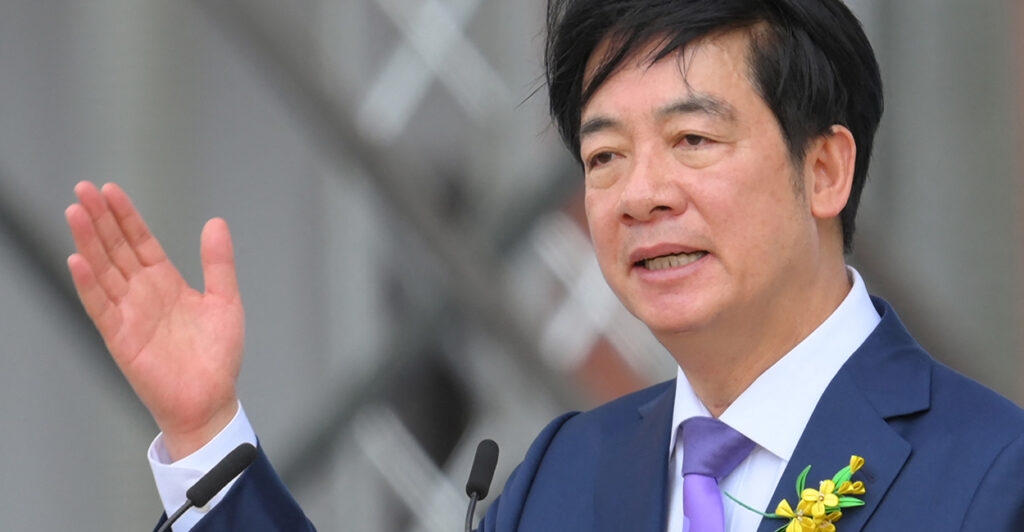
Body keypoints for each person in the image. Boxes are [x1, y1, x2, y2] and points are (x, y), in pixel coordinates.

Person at [65, 0, 1024, 530]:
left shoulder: (992, 473)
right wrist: (205, 436)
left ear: (825, 168)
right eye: (604, 156)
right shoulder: (567, 474)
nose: (640, 193)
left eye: (691, 140)